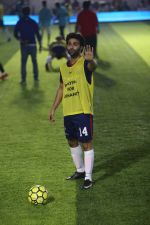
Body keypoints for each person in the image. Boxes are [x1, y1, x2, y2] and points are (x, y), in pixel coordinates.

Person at [49, 33, 97, 189]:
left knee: (86, 143)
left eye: (75, 44)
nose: (71, 46)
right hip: (68, 112)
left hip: (82, 112)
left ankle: (88, 178)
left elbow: (92, 67)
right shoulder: (63, 67)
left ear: (81, 47)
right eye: (69, 43)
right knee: (72, 141)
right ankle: (80, 170)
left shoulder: (85, 64)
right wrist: (53, 108)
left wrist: (91, 60)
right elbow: (62, 88)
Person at [14, 6, 42, 85]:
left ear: (22, 12)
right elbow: (38, 34)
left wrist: (21, 40)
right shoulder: (33, 21)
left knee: (23, 62)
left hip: (24, 45)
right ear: (29, 12)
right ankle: (36, 78)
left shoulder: (20, 22)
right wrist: (40, 44)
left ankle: (23, 79)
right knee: (34, 62)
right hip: (33, 45)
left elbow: (15, 34)